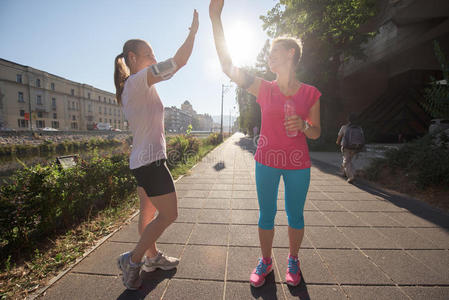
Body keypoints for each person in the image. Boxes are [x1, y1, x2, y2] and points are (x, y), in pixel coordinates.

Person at [209, 0, 321, 288]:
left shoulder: (310, 93)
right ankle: (266, 260)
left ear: (290, 53)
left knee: (295, 215)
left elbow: (317, 132)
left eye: (274, 52)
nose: (269, 56)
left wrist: (304, 126)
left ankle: (293, 260)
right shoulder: (264, 88)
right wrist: (215, 19)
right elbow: (226, 66)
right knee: (266, 214)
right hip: (266, 160)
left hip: (298, 164)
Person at [113, 10, 199, 290]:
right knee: (170, 214)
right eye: (149, 54)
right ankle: (133, 259)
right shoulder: (138, 81)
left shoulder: (132, 88)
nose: (154, 58)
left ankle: (151, 258)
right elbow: (178, 62)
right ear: (133, 58)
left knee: (147, 214)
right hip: (150, 162)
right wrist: (193, 33)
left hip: (141, 160)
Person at [336, 113, 363, 184]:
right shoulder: (359, 128)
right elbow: (362, 137)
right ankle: (344, 172)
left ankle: (351, 176)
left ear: (348, 120)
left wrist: (338, 142)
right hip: (355, 147)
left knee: (347, 162)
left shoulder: (344, 127)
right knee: (348, 160)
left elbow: (339, 137)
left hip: (346, 147)